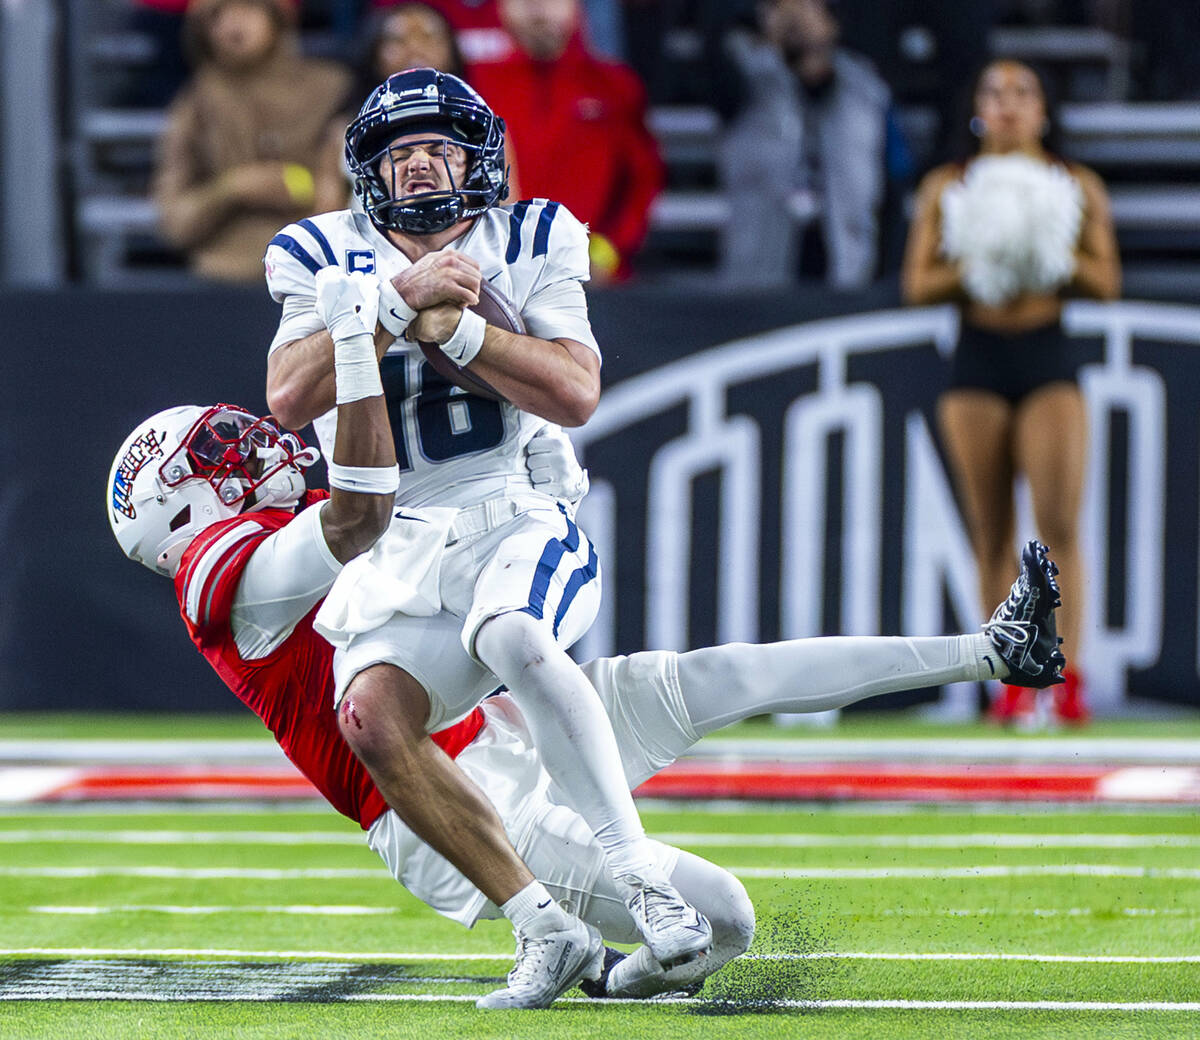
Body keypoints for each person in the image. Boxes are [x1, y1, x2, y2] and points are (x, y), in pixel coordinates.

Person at [108, 391, 1066, 1003]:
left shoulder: (280, 541)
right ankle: (588, 958)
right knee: (726, 917)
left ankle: (991, 650)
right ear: (180, 510)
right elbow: (365, 515)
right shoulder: (216, 574)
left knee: (719, 675)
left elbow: (423, 526)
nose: (246, 450)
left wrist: (532, 477)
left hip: (500, 704)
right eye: (216, 455)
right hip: (455, 795)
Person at [263, 68, 712, 992]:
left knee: (513, 630)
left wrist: (460, 329)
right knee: (373, 719)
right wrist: (394, 302)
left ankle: (636, 870)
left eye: (439, 149)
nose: (422, 166)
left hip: (513, 504)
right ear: (368, 174)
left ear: (479, 160)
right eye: (401, 154)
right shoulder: (321, 251)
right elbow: (287, 393)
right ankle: (540, 925)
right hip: (398, 539)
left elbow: (575, 390)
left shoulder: (535, 234)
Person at [901, 58, 1120, 725]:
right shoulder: (950, 185)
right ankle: (1011, 677)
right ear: (976, 108)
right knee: (991, 532)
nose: (1007, 104)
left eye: (1023, 91)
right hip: (977, 360)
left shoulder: (1076, 184)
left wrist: (1048, 258)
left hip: (1047, 356)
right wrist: (981, 258)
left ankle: (1069, 675)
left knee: (1058, 530)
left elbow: (1105, 280)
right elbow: (918, 285)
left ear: (1044, 110)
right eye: (993, 91)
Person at [151, 0, 349, 282]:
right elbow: (173, 221)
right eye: (218, 15)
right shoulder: (195, 104)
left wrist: (317, 186)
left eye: (248, 8)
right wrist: (232, 188)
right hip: (222, 273)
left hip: (318, 270)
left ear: (277, 18)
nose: (234, 23)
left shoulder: (334, 90)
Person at [467, 0, 664, 282]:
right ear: (500, 8)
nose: (538, 9)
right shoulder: (475, 86)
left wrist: (612, 248)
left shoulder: (615, 84)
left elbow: (643, 179)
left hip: (591, 277)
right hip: (498, 276)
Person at [716, 0, 902, 290]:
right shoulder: (744, 81)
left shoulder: (865, 90)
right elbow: (713, 64)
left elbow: (896, 178)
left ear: (832, 21)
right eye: (779, 6)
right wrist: (772, 48)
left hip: (846, 269)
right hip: (760, 272)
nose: (796, 17)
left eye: (808, 5)